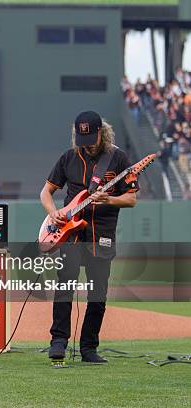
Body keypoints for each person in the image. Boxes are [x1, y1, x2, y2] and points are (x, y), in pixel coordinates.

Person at [40, 111, 139, 364]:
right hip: (70, 234)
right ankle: (58, 341)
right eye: (83, 139)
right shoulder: (68, 158)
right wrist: (54, 215)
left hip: (101, 233)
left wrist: (109, 198)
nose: (89, 144)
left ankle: (89, 348)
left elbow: (131, 198)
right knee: (65, 287)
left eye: (92, 138)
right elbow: (46, 192)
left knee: (98, 293)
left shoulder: (118, 158)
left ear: (101, 133)